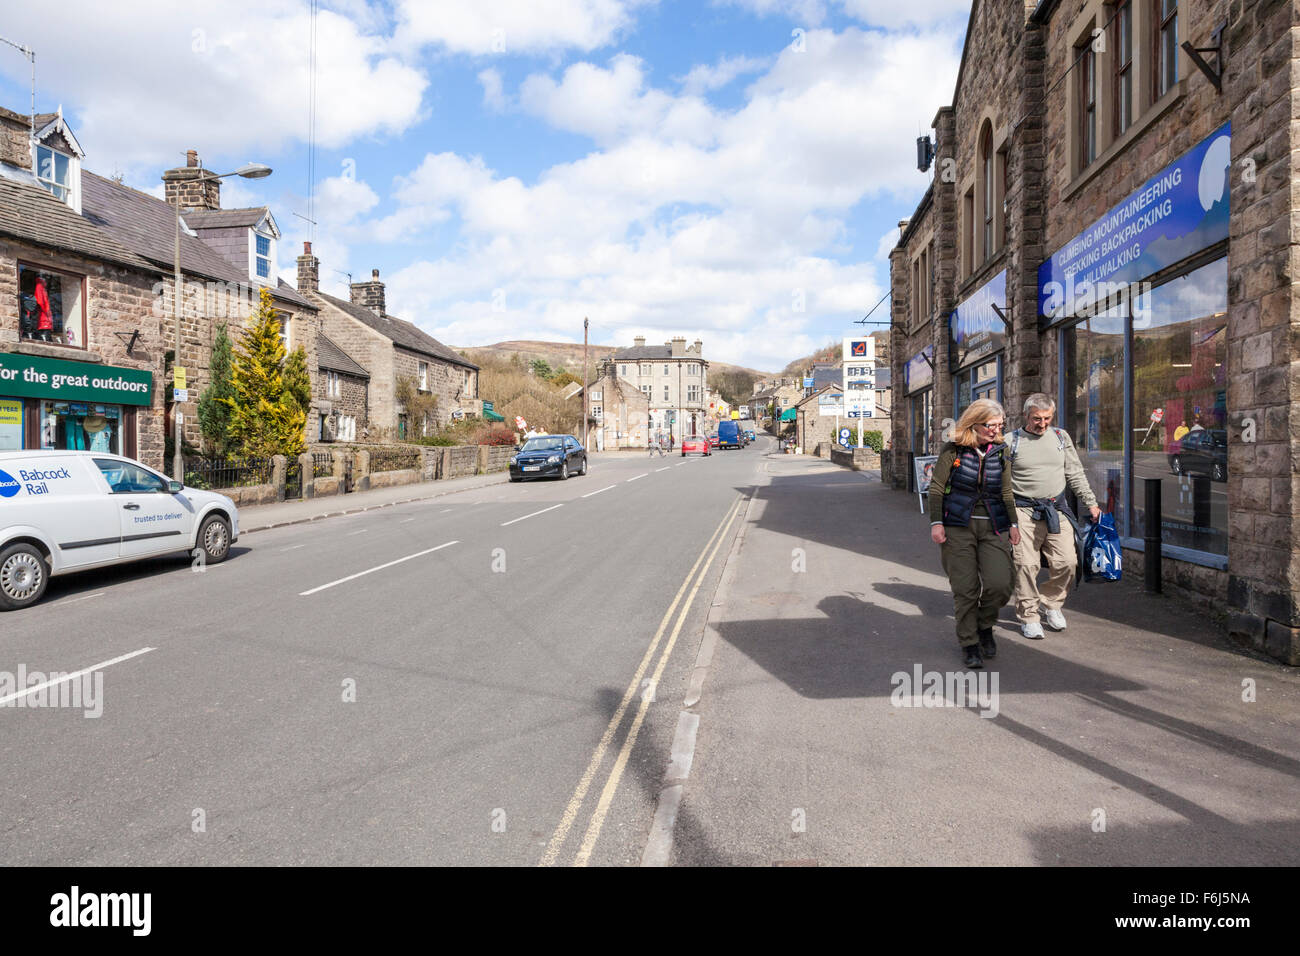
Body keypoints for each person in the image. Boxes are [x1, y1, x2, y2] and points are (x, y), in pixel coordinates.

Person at [928, 399, 1021, 669]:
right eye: (991, 426)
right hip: (958, 526)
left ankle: (984, 625)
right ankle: (969, 643)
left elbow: (1006, 492)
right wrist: (936, 523)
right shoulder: (953, 449)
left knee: (1001, 583)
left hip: (993, 525)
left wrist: (1013, 524)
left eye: (1000, 426)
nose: (995, 430)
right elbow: (936, 488)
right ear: (974, 423)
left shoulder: (1001, 451)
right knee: (965, 589)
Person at [1006, 393, 1101, 639]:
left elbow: (1075, 472)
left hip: (1056, 509)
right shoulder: (1010, 442)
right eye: (1037, 418)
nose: (1042, 423)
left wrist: (1090, 502)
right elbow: (1000, 482)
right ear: (1026, 416)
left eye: (1047, 418)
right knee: (1026, 564)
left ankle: (1051, 603)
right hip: (1023, 510)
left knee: (1068, 562)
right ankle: (1028, 615)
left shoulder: (1060, 437)